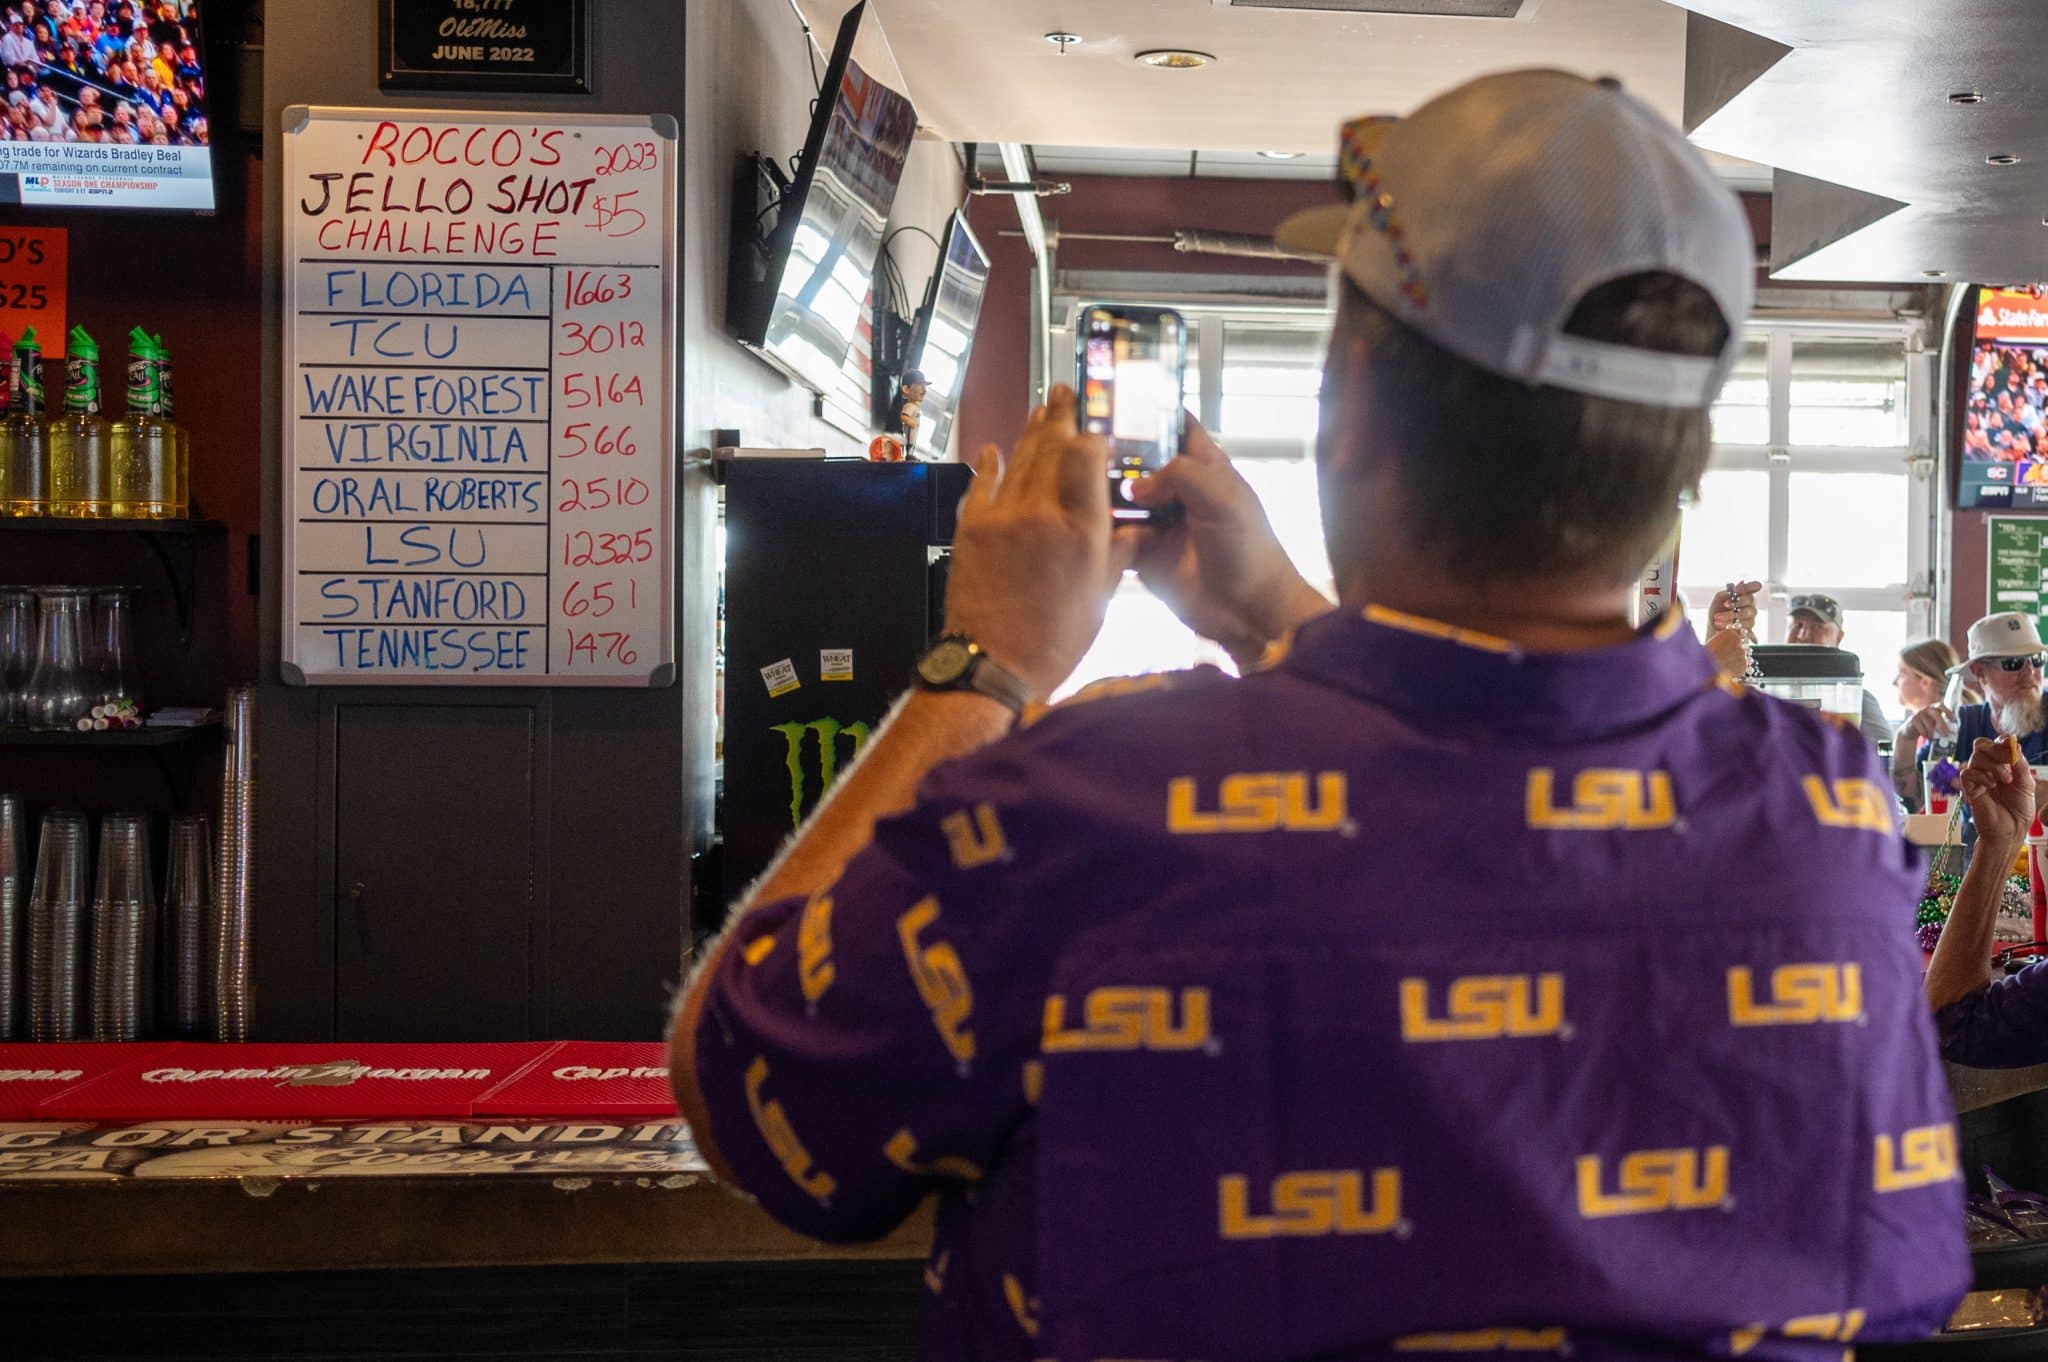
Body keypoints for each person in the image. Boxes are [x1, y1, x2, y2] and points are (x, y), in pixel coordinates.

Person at [669, 71, 1967, 1359]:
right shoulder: (1832, 819)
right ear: (1682, 461)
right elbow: (1494, 814)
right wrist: (1276, 620)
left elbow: (752, 1089)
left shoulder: (1087, 809)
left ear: (1349, 406)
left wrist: (988, 663)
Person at [1926, 737, 2046, 1066]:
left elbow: (1953, 1023)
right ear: (1981, 681)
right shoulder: (1968, 720)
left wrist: (1999, 844)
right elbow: (1933, 773)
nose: (2032, 680)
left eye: (2038, 678)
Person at [1947, 613, 2048, 847]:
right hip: (1979, 858)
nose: (2029, 672)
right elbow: (1926, 777)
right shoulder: (1963, 723)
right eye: (2012, 663)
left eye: (2036, 659)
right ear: (1980, 673)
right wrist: (1958, 776)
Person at [1780, 592, 1894, 748]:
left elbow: (1883, 752)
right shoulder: (1764, 690)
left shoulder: (1854, 699)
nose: (1803, 635)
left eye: (1817, 627)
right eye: (1797, 625)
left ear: (1839, 637)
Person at [1890, 638, 1971, 807]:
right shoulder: (1920, 730)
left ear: (1925, 682)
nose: (1894, 682)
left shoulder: (1953, 728)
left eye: (1901, 674)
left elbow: (1924, 796)